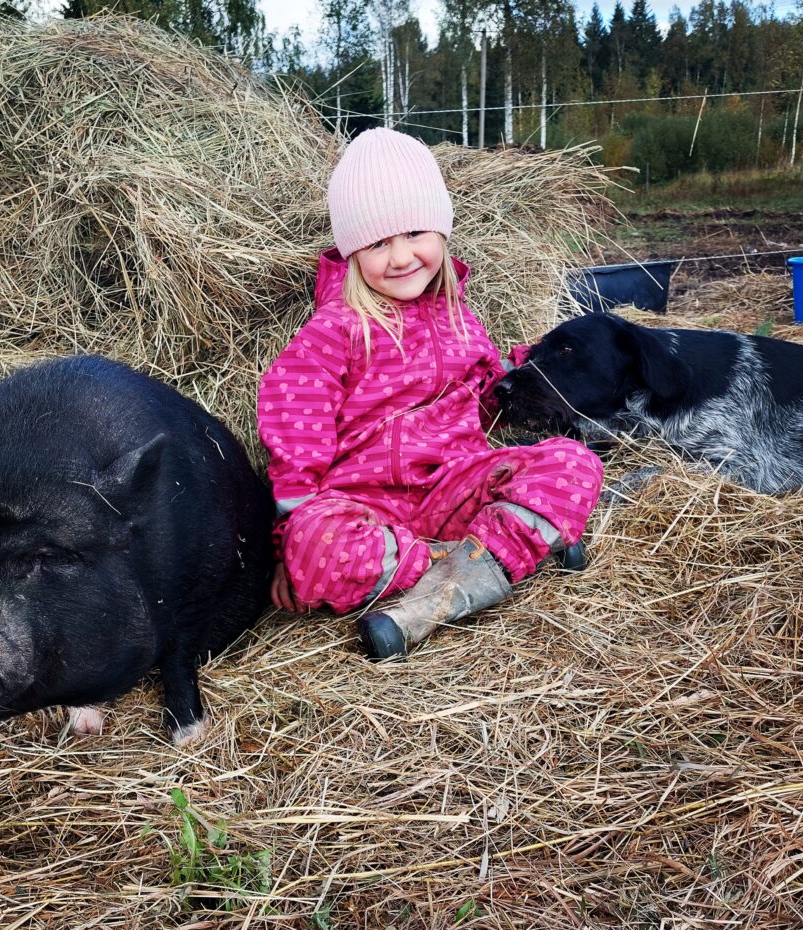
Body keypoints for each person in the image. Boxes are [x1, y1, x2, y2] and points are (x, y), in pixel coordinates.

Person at [257, 127, 604, 660]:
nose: (400, 257)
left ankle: (465, 570)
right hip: (365, 504)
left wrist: (534, 366)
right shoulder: (336, 329)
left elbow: (490, 397)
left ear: (442, 232)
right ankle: (481, 565)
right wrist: (288, 538)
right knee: (315, 544)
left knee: (571, 464)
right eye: (377, 243)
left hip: (454, 486)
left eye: (415, 232)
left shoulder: (461, 320)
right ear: (352, 254)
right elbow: (295, 428)